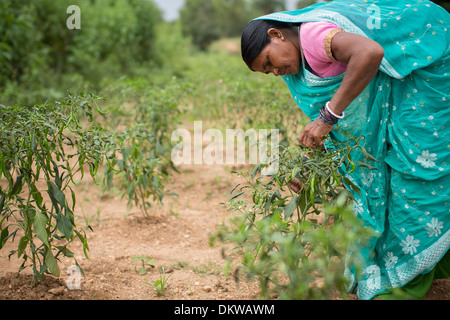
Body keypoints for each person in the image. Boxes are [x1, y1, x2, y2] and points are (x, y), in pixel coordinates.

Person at [240, 0, 449, 300]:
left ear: (276, 34)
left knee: (415, 172)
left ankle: (404, 282)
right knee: (388, 177)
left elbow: (370, 52)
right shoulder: (299, 67)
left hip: (430, 67)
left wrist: (328, 116)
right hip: (407, 82)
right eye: (267, 72)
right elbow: (329, 124)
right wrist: (308, 165)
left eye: (269, 62)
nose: (274, 72)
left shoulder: (313, 36)